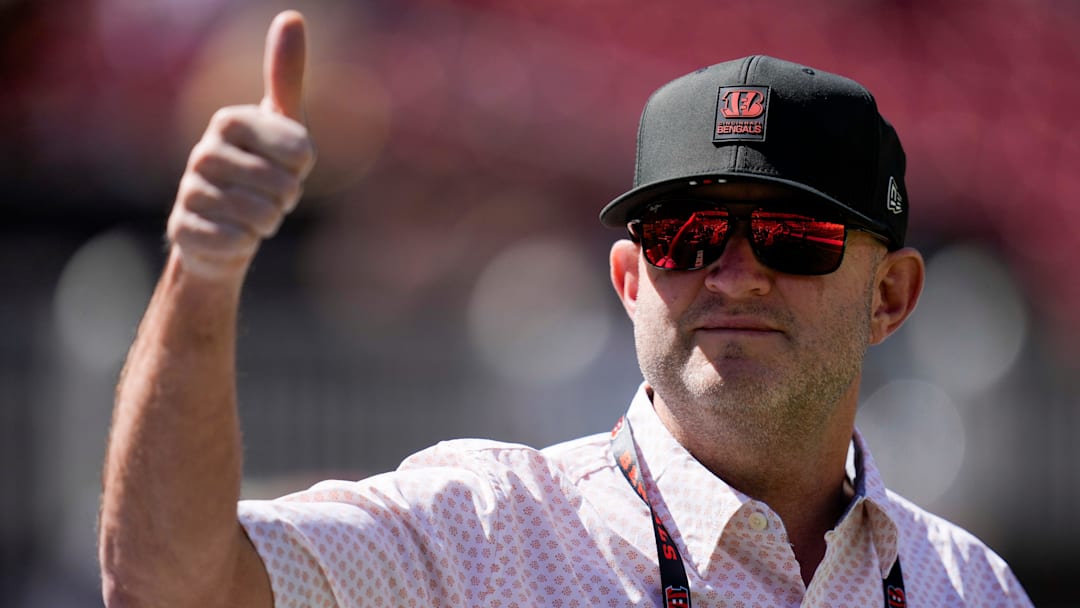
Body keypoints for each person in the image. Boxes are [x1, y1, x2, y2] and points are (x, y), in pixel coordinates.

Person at [97, 10, 1034, 608]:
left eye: (794, 235)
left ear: (890, 297)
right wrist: (201, 274)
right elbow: (167, 587)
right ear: (630, 281)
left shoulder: (971, 588)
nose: (734, 274)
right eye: (686, 234)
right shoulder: (480, 533)